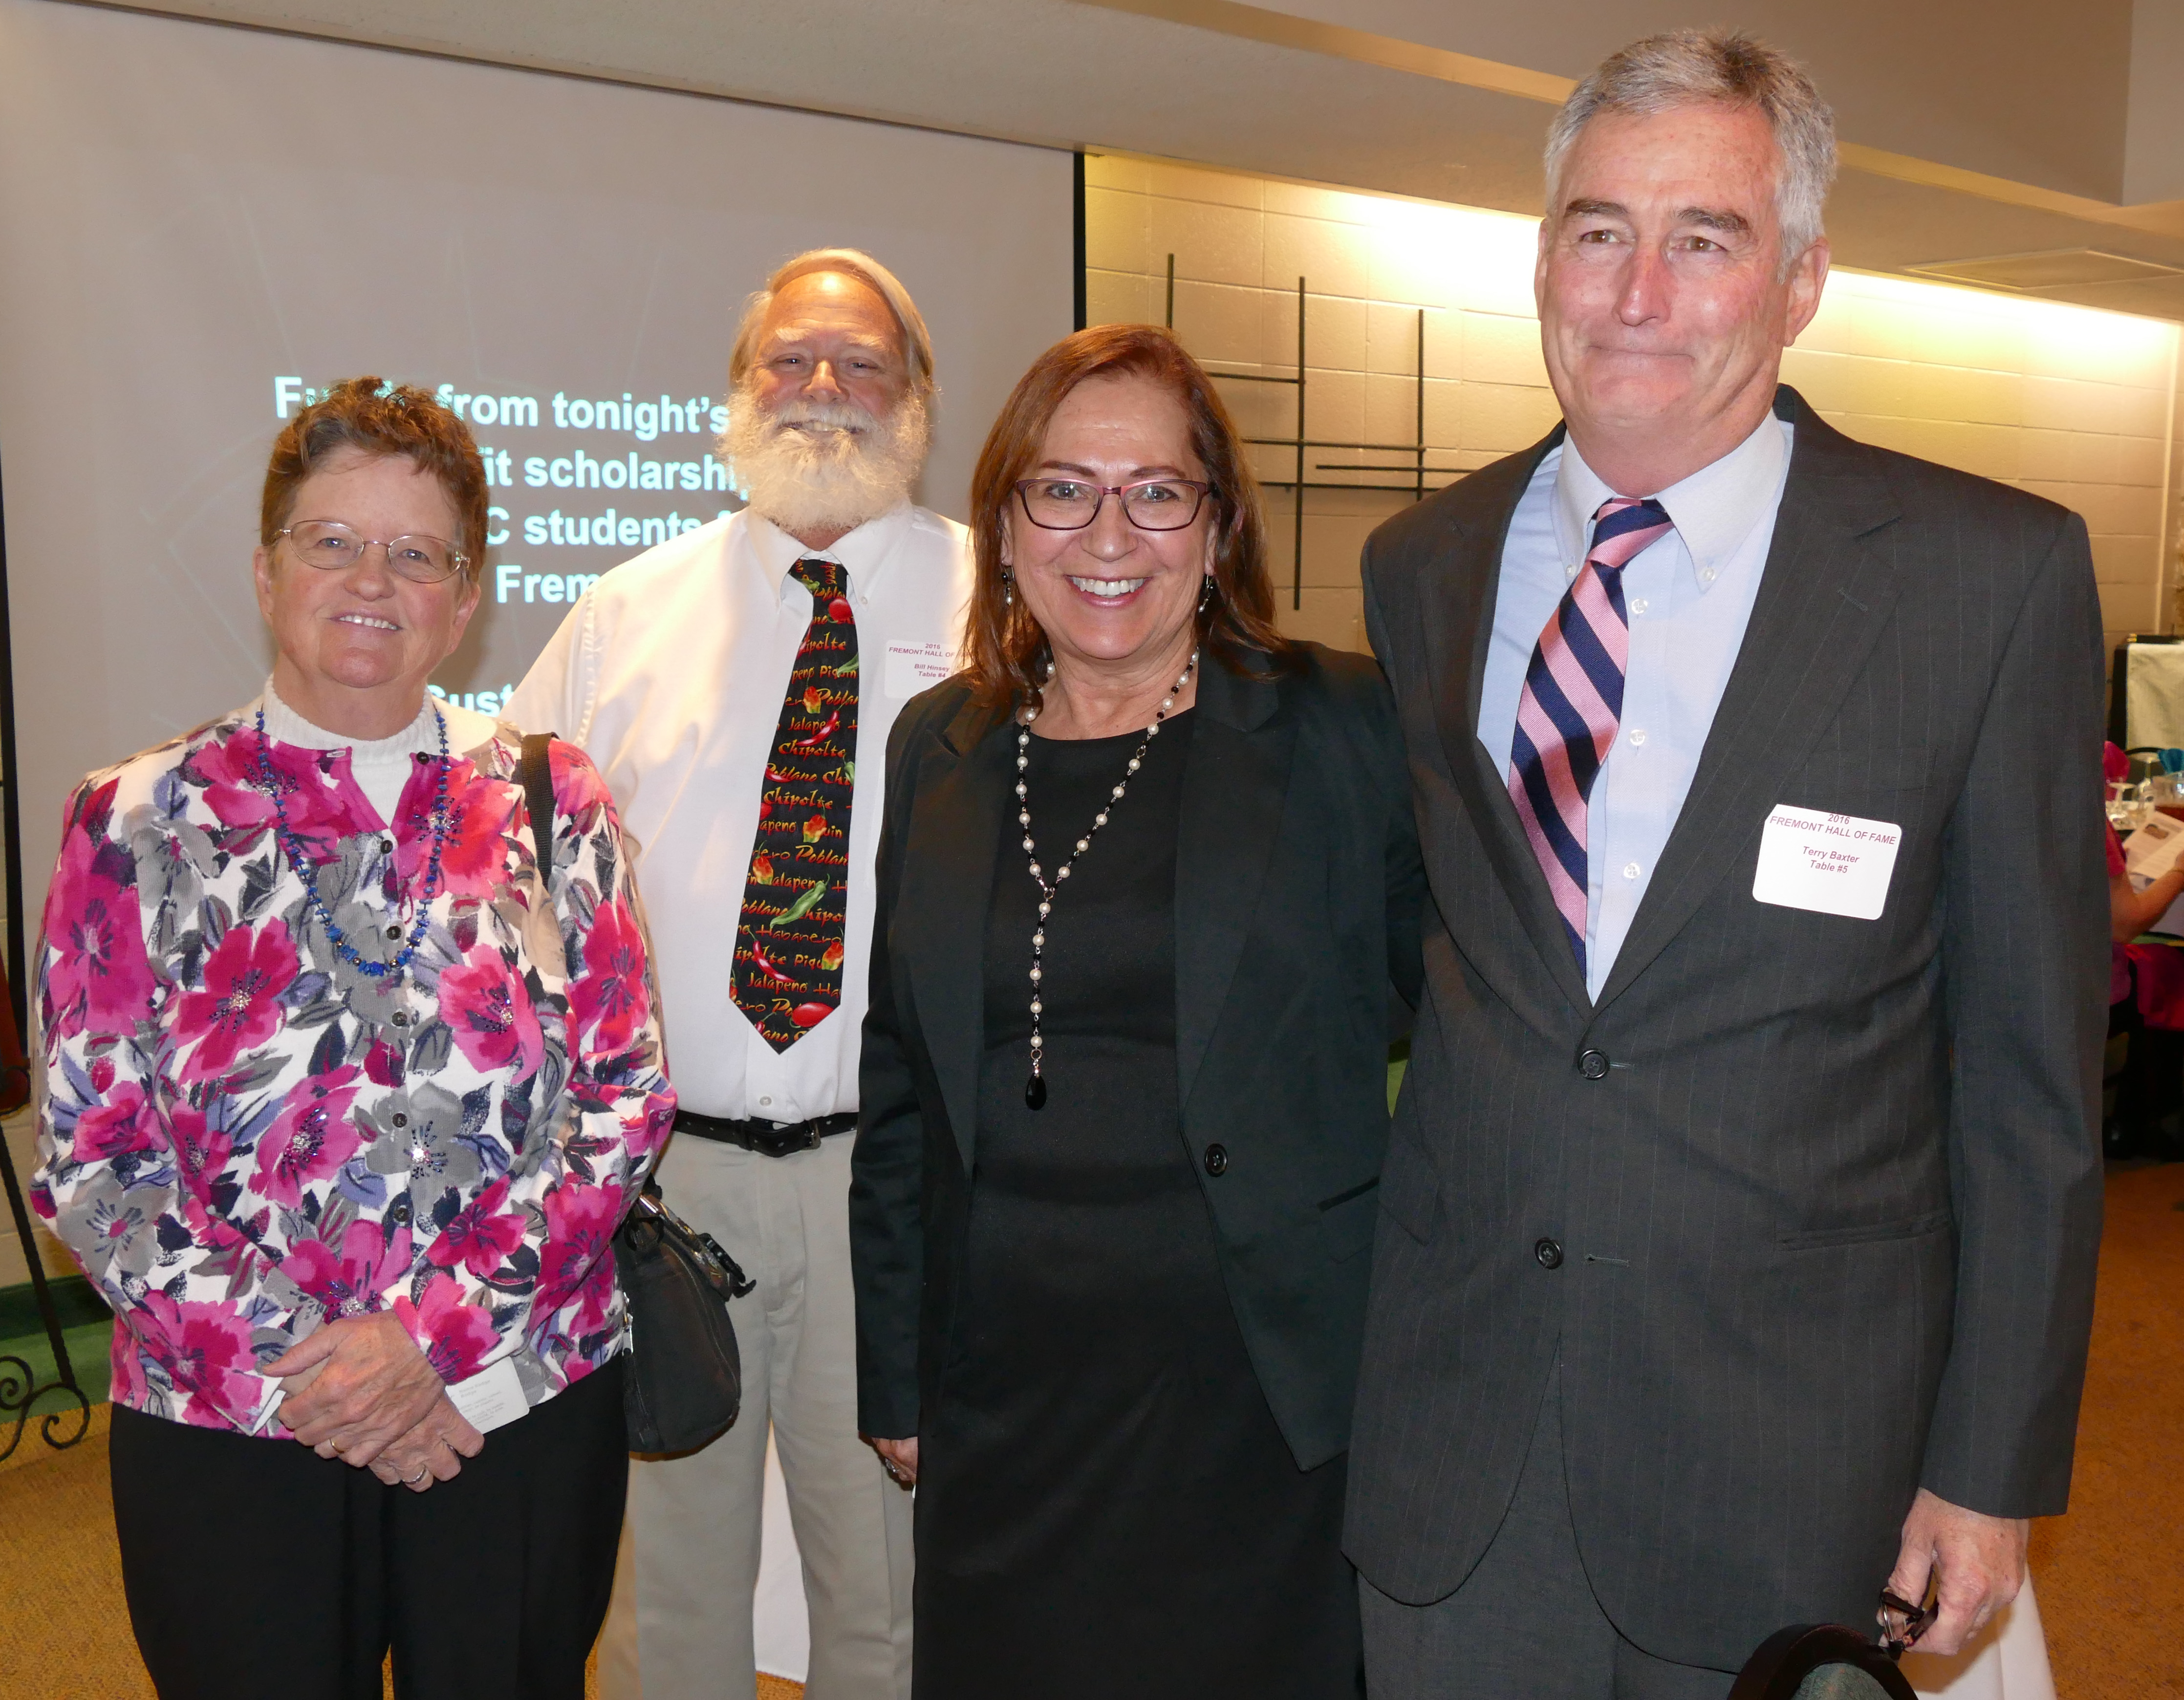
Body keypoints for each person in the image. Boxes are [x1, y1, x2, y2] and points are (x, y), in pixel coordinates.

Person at [1345, 30, 2106, 1698]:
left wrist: (1992, 1470)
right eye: (1600, 230)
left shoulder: (1986, 581)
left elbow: (2032, 1087)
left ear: (1805, 280)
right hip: (1456, 1453)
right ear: (1544, 256)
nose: (1636, 291)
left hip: (1792, 1465)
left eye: (1706, 238)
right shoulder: (1425, 565)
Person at [32, 378, 675, 1699]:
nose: (372, 577)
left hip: (509, 1405)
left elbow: (622, 1100)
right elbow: (98, 1158)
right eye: (333, 541)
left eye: (416, 551)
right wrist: (328, 1383)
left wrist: (427, 1345)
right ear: (269, 573)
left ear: (465, 592)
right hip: (233, 1422)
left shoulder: (554, 800)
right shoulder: (133, 819)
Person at [849, 323, 1425, 1698]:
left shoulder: (1340, 728)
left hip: (1260, 1403)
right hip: (1005, 1399)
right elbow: (900, 1084)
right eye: (1063, 488)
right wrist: (897, 1378)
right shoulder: (941, 743)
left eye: (1158, 492)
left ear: (1217, 529)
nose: (1110, 532)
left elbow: (1458, 1030)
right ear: (1004, 524)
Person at [505, 248, 965, 1700]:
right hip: (668, 1187)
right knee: (670, 1595)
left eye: (864, 363)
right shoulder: (622, 617)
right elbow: (505, 872)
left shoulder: (997, 606)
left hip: (887, 1188)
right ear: (738, 388)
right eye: (792, 359)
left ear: (919, 400)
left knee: (887, 1586)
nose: (825, 391)